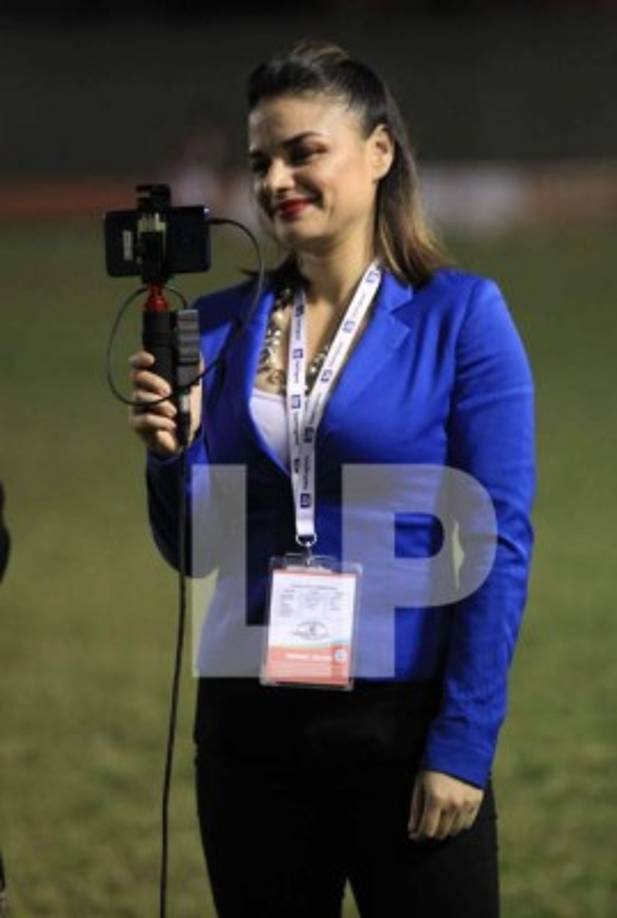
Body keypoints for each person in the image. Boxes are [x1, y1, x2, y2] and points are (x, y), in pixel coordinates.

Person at [128, 39, 535, 918]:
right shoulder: (218, 327)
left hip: (403, 727)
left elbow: (498, 540)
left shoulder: (460, 315)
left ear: (377, 153)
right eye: (260, 161)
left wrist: (461, 743)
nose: (276, 180)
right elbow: (194, 549)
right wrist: (170, 455)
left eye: (303, 151)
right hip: (247, 729)